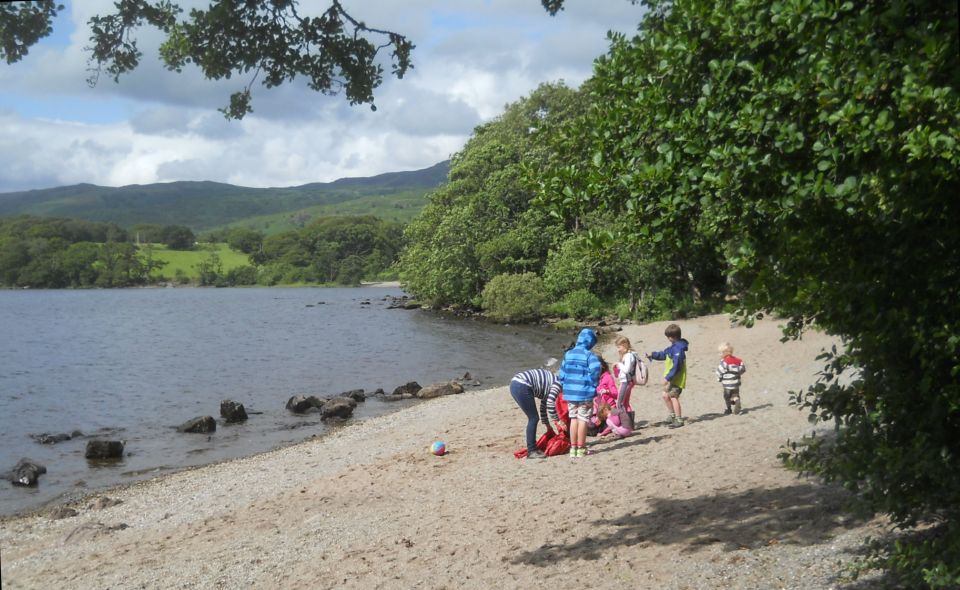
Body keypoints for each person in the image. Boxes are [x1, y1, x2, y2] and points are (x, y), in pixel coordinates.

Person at [558, 328, 602, 458]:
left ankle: (573, 448)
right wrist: (594, 383)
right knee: (583, 419)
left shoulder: (568, 354)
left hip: (570, 392)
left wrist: (565, 384)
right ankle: (581, 448)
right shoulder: (589, 355)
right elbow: (596, 369)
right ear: (590, 342)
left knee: (573, 418)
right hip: (585, 392)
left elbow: (562, 373)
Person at [510, 368, 562, 459]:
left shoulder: (551, 385)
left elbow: (543, 406)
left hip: (516, 384)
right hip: (522, 385)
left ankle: (532, 449)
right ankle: (532, 451)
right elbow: (550, 403)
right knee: (533, 418)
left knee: (533, 417)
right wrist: (558, 421)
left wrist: (547, 425)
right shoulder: (559, 384)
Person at [646, 323, 690, 428]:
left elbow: (677, 366)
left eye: (668, 337)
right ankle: (672, 415)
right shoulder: (673, 347)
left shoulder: (678, 349)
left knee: (673, 396)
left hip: (676, 379)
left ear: (672, 337)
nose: (667, 339)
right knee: (665, 395)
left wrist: (668, 377)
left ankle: (679, 419)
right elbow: (664, 354)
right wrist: (653, 355)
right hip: (671, 378)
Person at [613, 335, 643, 430]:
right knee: (625, 403)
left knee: (619, 404)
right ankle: (630, 424)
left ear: (625, 345)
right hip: (627, 381)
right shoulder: (629, 355)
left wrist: (618, 364)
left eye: (619, 347)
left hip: (626, 382)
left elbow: (626, 369)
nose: (618, 350)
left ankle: (625, 425)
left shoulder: (629, 355)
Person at [716, 342, 746, 414]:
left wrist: (719, 378)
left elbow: (719, 371)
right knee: (735, 394)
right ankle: (736, 400)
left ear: (724, 353)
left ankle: (728, 408)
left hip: (727, 384)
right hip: (736, 383)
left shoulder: (724, 362)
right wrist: (738, 373)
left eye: (720, 353)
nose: (719, 354)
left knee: (726, 396)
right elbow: (743, 369)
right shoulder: (738, 361)